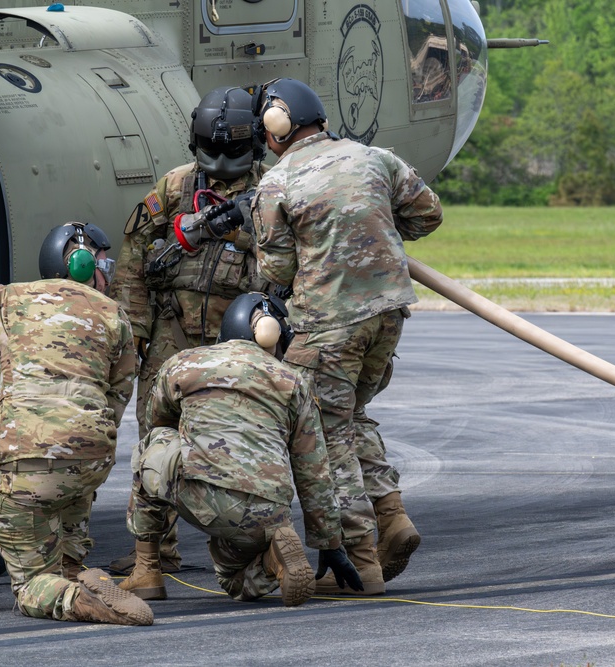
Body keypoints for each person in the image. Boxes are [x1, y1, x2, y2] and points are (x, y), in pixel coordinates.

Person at [250, 78, 444, 594]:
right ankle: (393, 516)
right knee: (353, 416)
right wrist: (370, 231)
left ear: (275, 128)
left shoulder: (277, 182)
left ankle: (364, 568)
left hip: (328, 325)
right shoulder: (375, 157)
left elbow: (277, 266)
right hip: (389, 314)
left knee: (329, 438)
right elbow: (428, 214)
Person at [0, 222, 151, 626]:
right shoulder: (114, 313)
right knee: (63, 559)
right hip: (89, 461)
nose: (108, 274)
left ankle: (75, 599)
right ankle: (78, 577)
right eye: (104, 265)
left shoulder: (6, 299)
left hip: (28, 460)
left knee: (31, 586)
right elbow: (120, 391)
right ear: (79, 263)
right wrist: (86, 437)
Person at [108, 86, 271, 594]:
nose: (220, 168)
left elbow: (288, 258)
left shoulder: (271, 192)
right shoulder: (176, 186)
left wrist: (238, 230)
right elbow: (134, 249)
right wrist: (135, 328)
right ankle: (153, 556)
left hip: (239, 341)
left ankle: (255, 550)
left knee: (247, 442)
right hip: (171, 330)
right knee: (154, 436)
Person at [126, 292, 362, 606]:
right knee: (236, 582)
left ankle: (147, 570)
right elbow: (314, 473)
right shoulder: (294, 382)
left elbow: (157, 421)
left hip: (204, 501)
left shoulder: (184, 363)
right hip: (268, 513)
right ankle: (272, 560)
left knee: (153, 445)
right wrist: (330, 544)